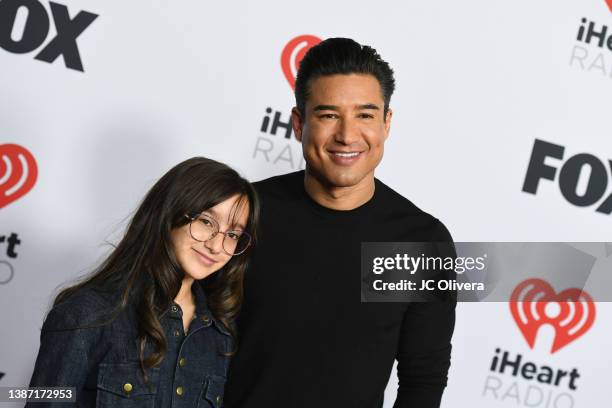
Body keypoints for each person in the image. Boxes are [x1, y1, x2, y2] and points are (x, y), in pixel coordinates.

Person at [224, 38, 456, 408]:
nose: (347, 135)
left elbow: (423, 380)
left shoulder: (419, 241)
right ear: (299, 123)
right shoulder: (243, 212)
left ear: (386, 124)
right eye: (328, 115)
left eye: (365, 115)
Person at [27, 157, 259, 407]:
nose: (216, 245)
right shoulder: (87, 313)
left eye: (233, 234)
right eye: (206, 221)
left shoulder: (220, 334)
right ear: (169, 213)